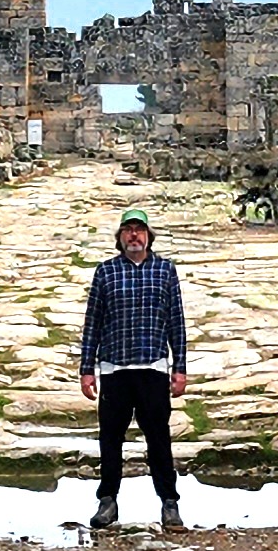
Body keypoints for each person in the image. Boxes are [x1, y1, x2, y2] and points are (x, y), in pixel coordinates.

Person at [76, 208, 191, 532]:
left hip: (153, 367)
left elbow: (176, 322)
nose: (134, 235)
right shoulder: (106, 272)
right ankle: (107, 502)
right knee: (111, 439)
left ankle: (169, 503)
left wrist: (179, 368)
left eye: (139, 230)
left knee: (159, 439)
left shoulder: (165, 271)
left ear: (148, 236)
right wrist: (87, 369)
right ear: (120, 237)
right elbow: (93, 323)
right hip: (114, 369)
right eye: (128, 230)